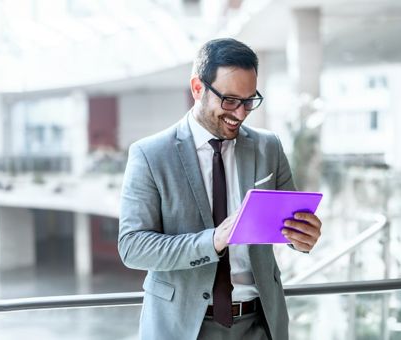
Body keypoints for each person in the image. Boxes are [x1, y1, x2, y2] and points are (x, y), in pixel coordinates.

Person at [118, 38, 322, 340]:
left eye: (249, 101)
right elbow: (133, 247)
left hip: (260, 323)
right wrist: (212, 241)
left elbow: (288, 226)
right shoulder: (150, 154)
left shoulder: (269, 147)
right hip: (183, 327)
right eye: (229, 100)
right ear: (198, 88)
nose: (240, 113)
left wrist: (302, 238)